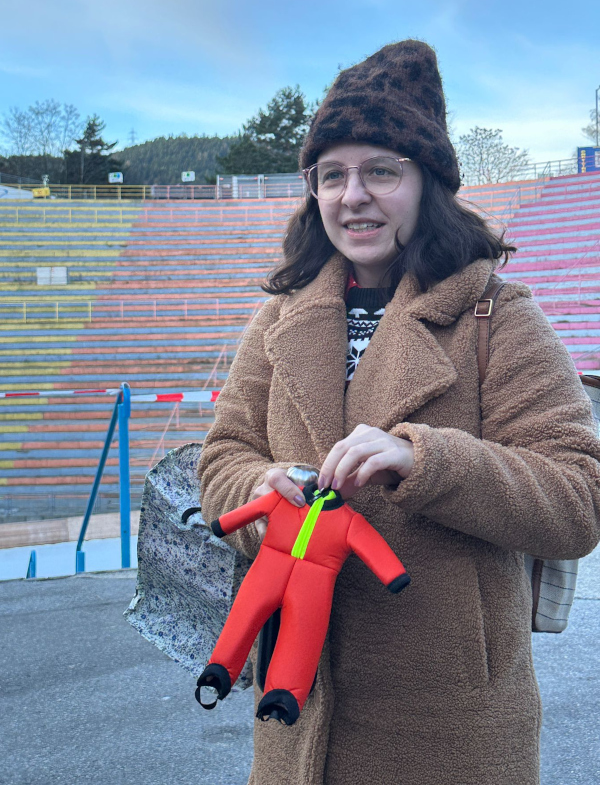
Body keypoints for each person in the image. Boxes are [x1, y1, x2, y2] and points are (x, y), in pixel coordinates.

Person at [198, 40, 600, 785]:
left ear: (427, 184)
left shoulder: (498, 315)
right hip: (293, 721)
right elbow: (224, 455)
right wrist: (260, 491)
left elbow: (578, 498)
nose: (353, 195)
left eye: (381, 170)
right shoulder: (280, 317)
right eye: (332, 175)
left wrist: (428, 461)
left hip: (451, 731)